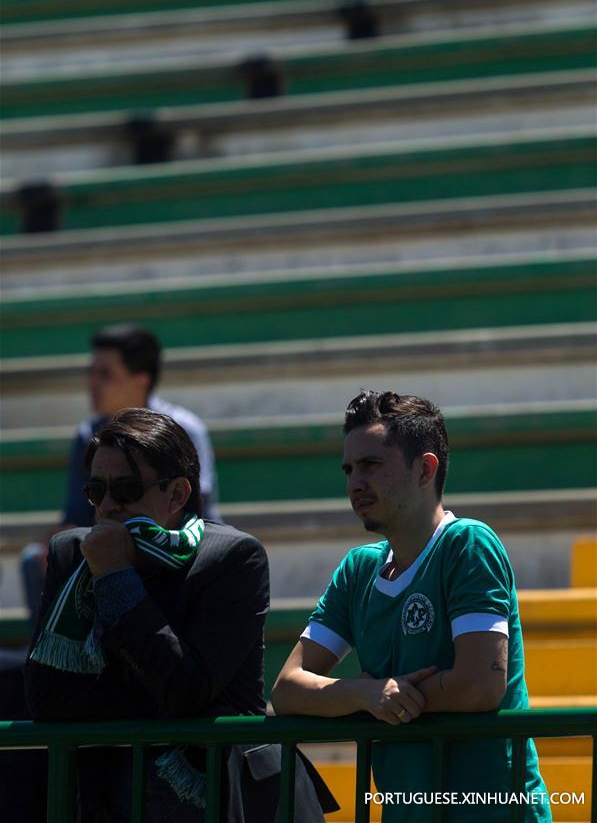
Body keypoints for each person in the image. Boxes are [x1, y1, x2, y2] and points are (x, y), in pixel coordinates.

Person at [271, 390, 551, 822]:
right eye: (348, 469)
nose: (354, 483)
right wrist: (365, 693)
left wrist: (381, 697)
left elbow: (479, 685)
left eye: (370, 465)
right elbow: (287, 688)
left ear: (425, 468)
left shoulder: (468, 544)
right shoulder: (357, 569)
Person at [24, 407, 268, 822]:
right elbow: (47, 696)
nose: (107, 506)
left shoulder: (232, 557)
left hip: (214, 799)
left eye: (126, 488)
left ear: (177, 494)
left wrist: (116, 578)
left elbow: (186, 690)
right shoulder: (71, 553)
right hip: (108, 795)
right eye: (95, 491)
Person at [21, 324, 219, 618]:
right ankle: (52, 653)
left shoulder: (184, 429)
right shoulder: (87, 433)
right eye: (91, 373)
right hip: (107, 537)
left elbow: (190, 507)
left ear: (141, 380)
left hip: (176, 543)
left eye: (105, 375)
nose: (92, 383)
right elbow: (75, 514)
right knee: (36, 557)